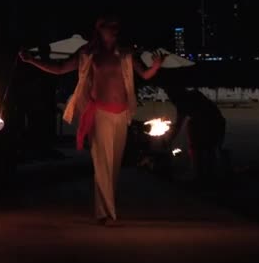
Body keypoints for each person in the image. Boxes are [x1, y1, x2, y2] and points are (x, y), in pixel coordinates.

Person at [19, 15, 166, 225]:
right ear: (100, 30)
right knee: (102, 163)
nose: (114, 29)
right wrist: (32, 61)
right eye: (110, 26)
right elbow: (60, 68)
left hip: (122, 113)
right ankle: (106, 213)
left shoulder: (125, 53)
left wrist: (157, 65)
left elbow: (145, 75)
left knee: (114, 164)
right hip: (100, 113)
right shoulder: (88, 53)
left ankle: (105, 210)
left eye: (116, 26)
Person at [163, 86, 230, 187]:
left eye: (170, 96)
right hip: (217, 123)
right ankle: (207, 176)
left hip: (212, 124)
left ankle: (201, 176)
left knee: (201, 148)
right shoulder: (193, 96)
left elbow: (178, 125)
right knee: (207, 150)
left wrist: (169, 141)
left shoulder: (184, 102)